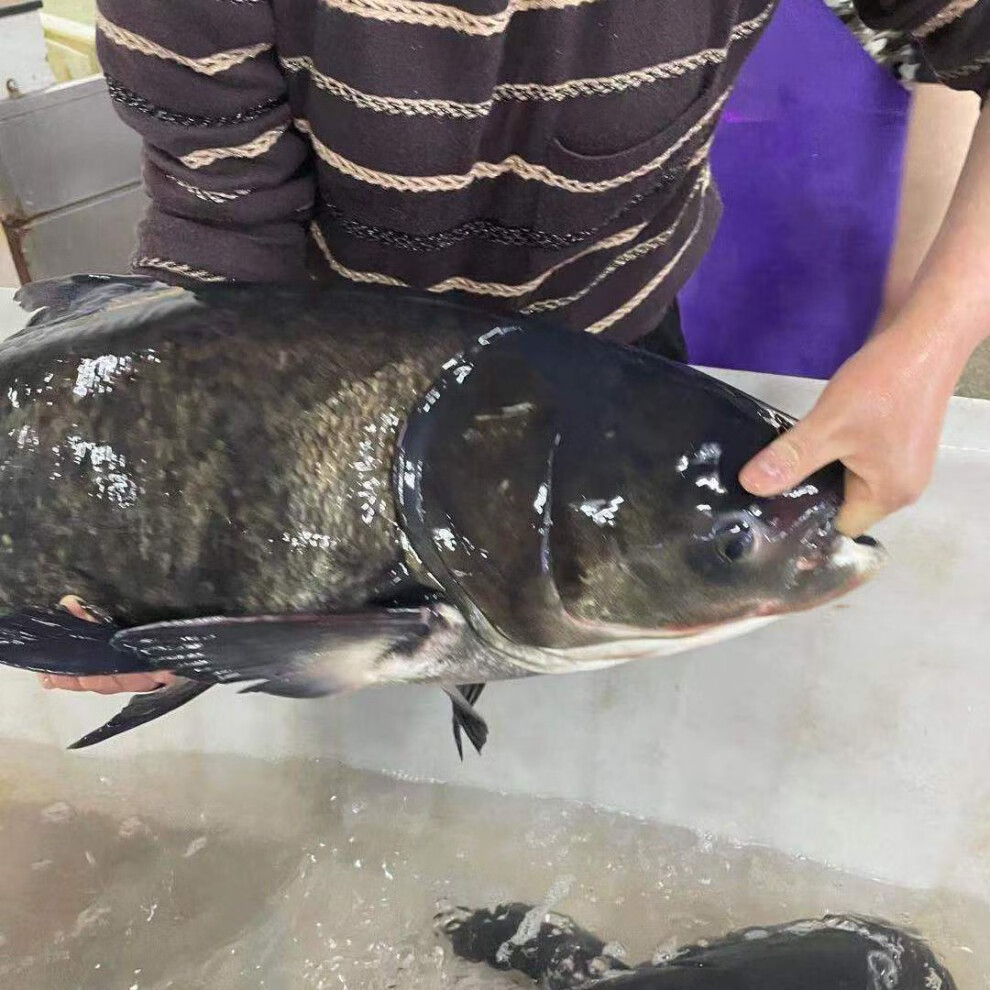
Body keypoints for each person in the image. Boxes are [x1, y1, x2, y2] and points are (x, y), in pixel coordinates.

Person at [41, 0, 990, 694]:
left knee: (613, 657)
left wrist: (928, 343)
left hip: (612, 361)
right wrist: (171, 559)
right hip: (314, 410)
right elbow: (226, 224)